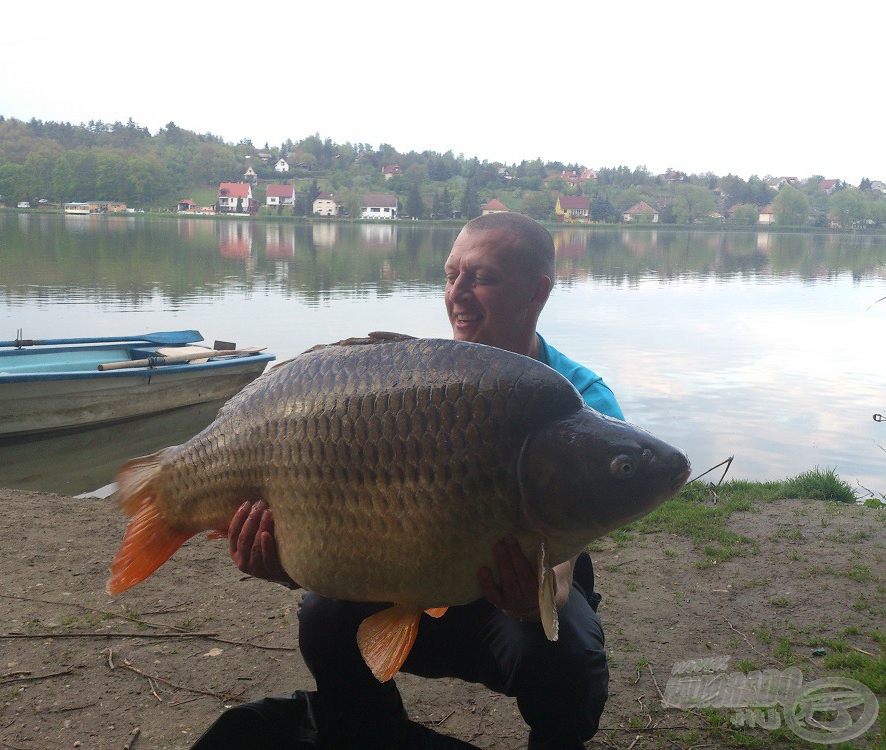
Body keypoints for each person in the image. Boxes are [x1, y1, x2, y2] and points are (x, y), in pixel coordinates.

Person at [194, 212, 622, 749]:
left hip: (516, 596)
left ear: (537, 292)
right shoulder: (414, 387)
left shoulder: (584, 406)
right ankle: (373, 734)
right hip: (411, 573)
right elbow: (345, 527)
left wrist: (535, 599)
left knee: (567, 656)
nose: (457, 295)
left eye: (481, 277)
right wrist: (285, 564)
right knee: (322, 618)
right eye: (451, 275)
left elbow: (560, 556)